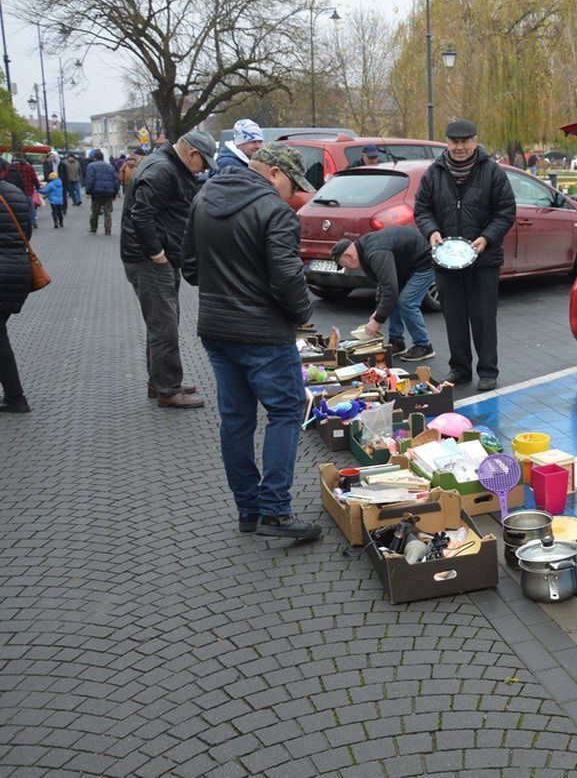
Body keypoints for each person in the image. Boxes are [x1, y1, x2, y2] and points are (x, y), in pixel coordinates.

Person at [182, 143, 320, 539]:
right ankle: (275, 511)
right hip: (264, 334)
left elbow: (189, 266)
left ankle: (248, 510)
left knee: (237, 420)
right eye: (292, 186)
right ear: (274, 172)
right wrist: (302, 315)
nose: (293, 196)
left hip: (216, 329)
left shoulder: (204, 196)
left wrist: (222, 290)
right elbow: (287, 280)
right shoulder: (275, 211)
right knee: (286, 412)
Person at [413, 118, 515, 391]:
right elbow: (422, 209)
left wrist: (487, 237)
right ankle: (459, 369)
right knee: (454, 318)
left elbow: (506, 211)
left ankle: (488, 371)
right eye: (454, 142)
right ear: (447, 143)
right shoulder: (434, 172)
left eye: (465, 141)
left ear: (475, 141)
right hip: (446, 260)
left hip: (484, 260)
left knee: (483, 318)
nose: (459, 147)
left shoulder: (492, 171)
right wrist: (431, 231)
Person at [120, 132, 216, 408]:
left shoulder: (166, 165)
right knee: (165, 324)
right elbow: (142, 214)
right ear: (192, 154)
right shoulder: (162, 169)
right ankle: (168, 389)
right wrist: (157, 254)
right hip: (148, 261)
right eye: (204, 164)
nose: (205, 170)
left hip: (155, 258)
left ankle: (160, 380)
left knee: (162, 321)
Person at [330, 228, 436, 361]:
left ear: (349, 256)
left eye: (344, 264)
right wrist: (379, 311)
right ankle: (397, 342)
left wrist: (378, 320)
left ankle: (424, 345)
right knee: (391, 301)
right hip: (407, 264)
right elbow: (383, 281)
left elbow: (390, 289)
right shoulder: (364, 250)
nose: (347, 269)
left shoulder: (375, 253)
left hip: (424, 261)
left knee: (406, 302)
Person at [0, 177, 32, 413]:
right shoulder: (15, 192)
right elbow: (26, 231)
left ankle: (16, 397)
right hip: (18, 269)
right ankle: (14, 396)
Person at [83, 149, 120, 234]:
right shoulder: (110, 166)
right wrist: (115, 192)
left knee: (95, 211)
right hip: (108, 193)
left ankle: (93, 228)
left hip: (96, 193)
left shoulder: (91, 166)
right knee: (108, 212)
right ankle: (108, 230)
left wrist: (88, 191)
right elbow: (115, 180)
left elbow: (90, 180)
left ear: (94, 158)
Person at [5, 154, 41, 230]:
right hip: (28, 190)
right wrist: (37, 187)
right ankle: (33, 222)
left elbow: (6, 178)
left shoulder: (10, 167)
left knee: (18, 207)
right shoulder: (28, 167)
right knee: (30, 206)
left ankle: (19, 223)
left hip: (15, 190)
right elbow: (34, 178)